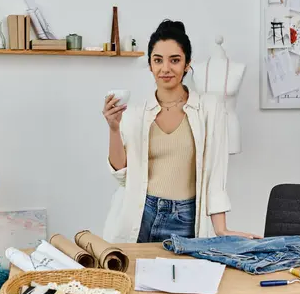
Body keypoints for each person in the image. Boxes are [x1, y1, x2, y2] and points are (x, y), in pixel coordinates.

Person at [102, 19, 262, 243]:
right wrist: (114, 127)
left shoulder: (209, 109)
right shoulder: (135, 113)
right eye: (158, 60)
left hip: (186, 218)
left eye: (174, 60)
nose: (165, 68)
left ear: (187, 64)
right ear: (150, 65)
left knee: (186, 277)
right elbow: (122, 175)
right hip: (141, 216)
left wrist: (222, 229)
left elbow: (216, 174)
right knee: (136, 277)